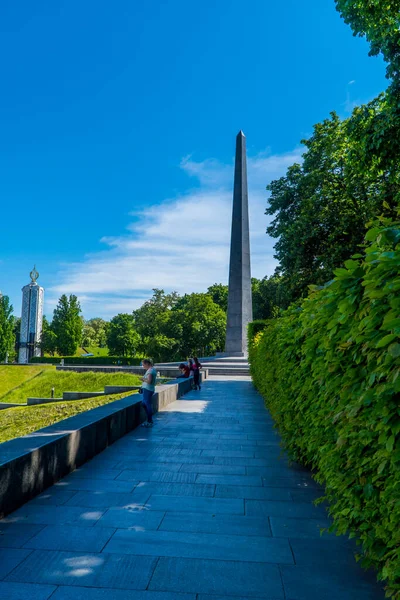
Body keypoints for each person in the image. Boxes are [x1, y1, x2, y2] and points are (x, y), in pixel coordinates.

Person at [141, 359, 157, 427]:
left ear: (147, 364)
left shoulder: (150, 371)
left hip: (148, 389)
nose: (143, 366)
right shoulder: (152, 369)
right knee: (144, 404)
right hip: (148, 389)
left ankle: (149, 421)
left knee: (147, 404)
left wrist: (143, 379)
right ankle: (149, 418)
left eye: (143, 365)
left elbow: (149, 381)